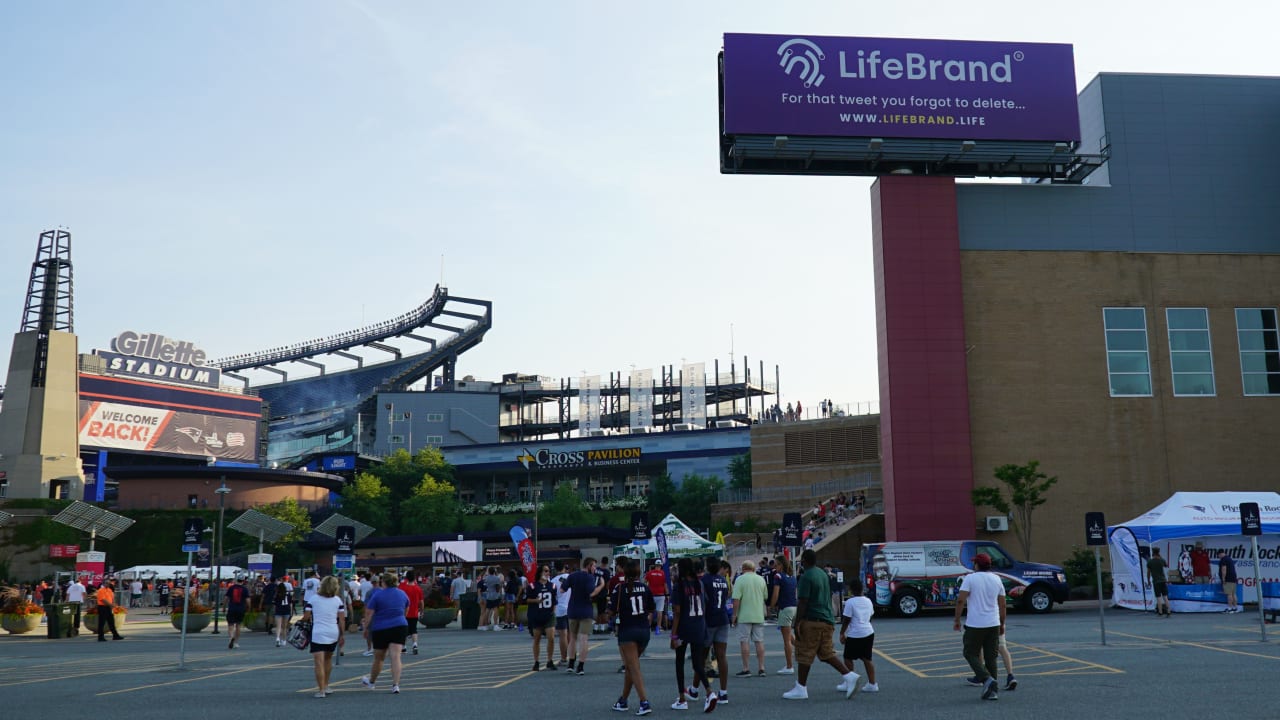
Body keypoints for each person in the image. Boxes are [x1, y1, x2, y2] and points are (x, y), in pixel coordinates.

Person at [783, 549, 859, 700]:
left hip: (813, 620)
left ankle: (801, 688)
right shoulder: (822, 574)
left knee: (804, 654)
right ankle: (849, 675)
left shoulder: (806, 577)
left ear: (804, 560)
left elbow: (803, 601)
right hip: (827, 619)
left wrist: (797, 623)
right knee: (826, 653)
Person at [954, 552, 1006, 701]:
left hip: (975, 624)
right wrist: (1002, 623)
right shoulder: (997, 579)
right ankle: (992, 691)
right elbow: (1002, 604)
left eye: (974, 563)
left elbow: (960, 601)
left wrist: (957, 620)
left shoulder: (970, 578)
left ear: (977, 565)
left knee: (970, 653)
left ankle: (986, 679)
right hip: (993, 622)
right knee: (991, 657)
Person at [609, 558, 655, 716]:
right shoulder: (645, 588)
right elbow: (651, 609)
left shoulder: (619, 588)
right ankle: (623, 699)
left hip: (627, 630)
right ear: (639, 572)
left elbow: (611, 610)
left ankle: (644, 701)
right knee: (630, 666)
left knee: (634, 668)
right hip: (643, 630)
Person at [669, 558, 716, 713]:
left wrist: (673, 635)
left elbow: (677, 612)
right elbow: (706, 603)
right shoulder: (700, 584)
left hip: (684, 627)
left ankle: (682, 698)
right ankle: (709, 692)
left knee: (679, 663)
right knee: (697, 663)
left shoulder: (679, 586)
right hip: (699, 626)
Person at [361, 572, 409, 693]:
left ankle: (372, 682)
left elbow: (369, 613)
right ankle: (395, 685)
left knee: (379, 658)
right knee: (396, 656)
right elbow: (406, 607)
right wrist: (402, 618)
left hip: (381, 628)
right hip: (399, 626)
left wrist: (366, 628)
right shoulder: (402, 594)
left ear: (383, 582)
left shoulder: (378, 595)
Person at [304, 576, 346, 698]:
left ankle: (321, 690)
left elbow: (306, 616)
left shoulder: (313, 599)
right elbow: (342, 620)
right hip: (332, 632)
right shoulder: (338, 600)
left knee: (318, 662)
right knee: (328, 660)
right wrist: (342, 635)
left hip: (318, 632)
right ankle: (326, 685)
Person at [561, 557, 604, 674]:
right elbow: (592, 592)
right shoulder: (590, 578)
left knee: (572, 638)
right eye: (594, 566)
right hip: (585, 610)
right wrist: (601, 585)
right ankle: (580, 666)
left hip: (572, 609)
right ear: (589, 565)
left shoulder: (572, 576)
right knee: (584, 638)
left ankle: (570, 664)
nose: (595, 569)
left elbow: (562, 589)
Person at [839, 578, 878, 693]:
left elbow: (847, 619)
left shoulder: (850, 602)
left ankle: (849, 682)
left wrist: (842, 633)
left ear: (851, 590)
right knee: (867, 658)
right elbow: (871, 616)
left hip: (855, 634)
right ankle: (872, 684)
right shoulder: (868, 601)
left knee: (848, 658)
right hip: (868, 631)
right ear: (862, 589)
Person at [701, 558, 731, 706]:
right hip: (723, 617)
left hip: (709, 620)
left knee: (701, 656)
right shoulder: (723, 580)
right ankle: (723, 692)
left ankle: (695, 689)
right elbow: (726, 596)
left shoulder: (705, 580)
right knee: (721, 656)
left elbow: (703, 601)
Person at [730, 560, 768, 678]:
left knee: (744, 641)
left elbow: (736, 599)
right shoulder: (761, 579)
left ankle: (746, 669)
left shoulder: (740, 579)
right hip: (758, 615)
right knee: (759, 641)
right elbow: (765, 596)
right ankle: (761, 668)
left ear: (743, 569)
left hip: (744, 616)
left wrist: (734, 615)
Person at [525, 565, 558, 671]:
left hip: (548, 615)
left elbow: (554, 601)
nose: (548, 573)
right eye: (546, 571)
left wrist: (553, 611)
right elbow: (527, 600)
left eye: (548, 571)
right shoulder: (532, 586)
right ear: (540, 572)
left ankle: (549, 660)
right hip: (536, 615)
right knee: (537, 639)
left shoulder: (552, 586)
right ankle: (536, 661)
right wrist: (536, 601)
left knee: (551, 638)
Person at [769, 555, 798, 675]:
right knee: (789, 634)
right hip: (794, 607)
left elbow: (776, 594)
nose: (775, 567)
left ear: (780, 565)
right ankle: (801, 648)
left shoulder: (778, 576)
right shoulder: (792, 577)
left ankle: (789, 666)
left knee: (786, 640)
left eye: (776, 565)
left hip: (785, 608)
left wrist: (771, 605)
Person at [552, 563, 573, 668]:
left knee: (562, 635)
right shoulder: (570, 577)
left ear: (555, 569)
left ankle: (564, 658)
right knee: (570, 634)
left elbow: (553, 597)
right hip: (571, 608)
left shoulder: (553, 581)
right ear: (564, 568)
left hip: (560, 609)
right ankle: (572, 656)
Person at [399, 573, 424, 654]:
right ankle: (415, 645)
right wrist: (422, 611)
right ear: (414, 578)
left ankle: (403, 647)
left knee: (404, 630)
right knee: (414, 629)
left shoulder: (403, 588)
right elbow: (421, 602)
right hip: (414, 612)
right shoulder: (418, 588)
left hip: (404, 612)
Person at [224, 576, 250, 650]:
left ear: (236, 580)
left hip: (232, 608)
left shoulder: (231, 588)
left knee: (230, 625)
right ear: (243, 581)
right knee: (238, 625)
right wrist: (248, 607)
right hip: (241, 609)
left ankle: (231, 637)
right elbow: (248, 600)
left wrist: (223, 607)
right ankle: (235, 642)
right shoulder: (245, 589)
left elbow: (226, 598)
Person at [645, 562, 669, 634]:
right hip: (661, 595)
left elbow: (645, 582)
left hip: (651, 594)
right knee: (660, 611)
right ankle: (658, 627)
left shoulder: (649, 573)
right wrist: (667, 594)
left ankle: (648, 627)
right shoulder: (663, 573)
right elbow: (665, 585)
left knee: (650, 611)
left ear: (655, 566)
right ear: (660, 566)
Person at [1147, 548, 1171, 618]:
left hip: (1156, 581)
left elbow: (1148, 573)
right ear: (1159, 552)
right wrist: (1160, 557)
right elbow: (1166, 565)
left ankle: (1160, 612)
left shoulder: (1150, 562)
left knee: (1158, 597)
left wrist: (1148, 581)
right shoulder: (1161, 560)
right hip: (1163, 580)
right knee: (1165, 596)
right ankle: (1168, 611)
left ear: (1153, 553)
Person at [272, 576, 294, 647]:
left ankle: (277, 638)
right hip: (286, 610)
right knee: (284, 627)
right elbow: (290, 604)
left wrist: (274, 611)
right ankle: (284, 640)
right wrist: (291, 612)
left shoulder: (276, 595)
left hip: (279, 610)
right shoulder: (288, 595)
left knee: (278, 626)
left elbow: (275, 605)